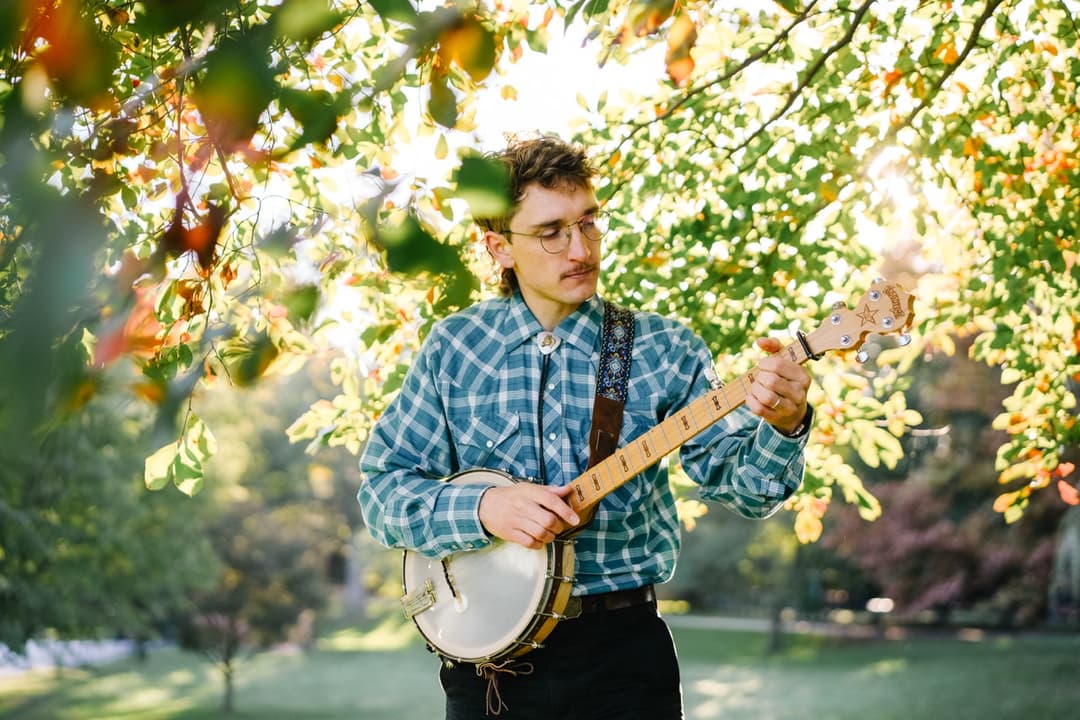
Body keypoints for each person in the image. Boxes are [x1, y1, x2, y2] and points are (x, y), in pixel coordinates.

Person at [358, 134, 812, 719]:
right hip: (489, 674)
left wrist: (784, 423)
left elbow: (749, 492)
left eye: (589, 223)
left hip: (621, 661)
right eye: (552, 232)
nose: (580, 248)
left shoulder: (660, 348)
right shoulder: (455, 349)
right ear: (499, 247)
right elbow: (383, 493)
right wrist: (483, 509)